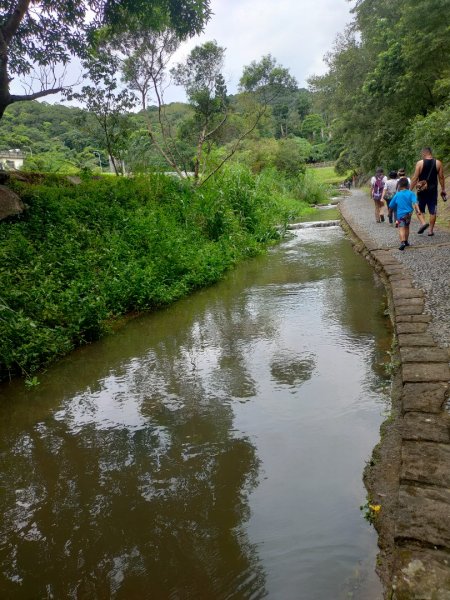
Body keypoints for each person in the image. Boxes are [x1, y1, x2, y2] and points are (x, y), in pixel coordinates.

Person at [410, 147, 447, 236]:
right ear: (431, 153)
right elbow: (441, 177)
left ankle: (423, 224)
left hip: (422, 190)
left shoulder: (420, 163)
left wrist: (409, 190)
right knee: (433, 211)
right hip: (433, 191)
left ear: (424, 153)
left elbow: (415, 178)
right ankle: (430, 231)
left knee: (419, 208)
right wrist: (443, 189)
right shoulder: (438, 163)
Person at [389, 177, 421, 250]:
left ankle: (402, 242)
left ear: (399, 186)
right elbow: (415, 202)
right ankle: (406, 241)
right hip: (409, 214)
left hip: (400, 215)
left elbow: (391, 205)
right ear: (408, 185)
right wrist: (418, 210)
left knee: (401, 228)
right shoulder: (411, 193)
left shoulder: (397, 194)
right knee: (407, 227)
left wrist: (390, 212)